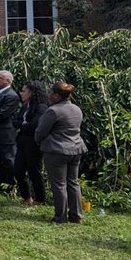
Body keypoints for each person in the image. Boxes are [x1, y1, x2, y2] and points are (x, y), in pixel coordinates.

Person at [33, 81, 87, 224]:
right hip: (76, 149)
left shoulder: (53, 111)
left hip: (57, 150)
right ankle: (76, 215)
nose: (48, 94)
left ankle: (60, 217)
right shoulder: (76, 109)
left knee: (59, 184)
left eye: (50, 92)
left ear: (57, 96)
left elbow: (40, 131)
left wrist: (39, 141)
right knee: (73, 183)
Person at [12, 81, 48, 206]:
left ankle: (40, 198)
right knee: (18, 170)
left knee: (34, 171)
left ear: (32, 92)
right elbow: (15, 121)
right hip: (22, 140)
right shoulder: (25, 106)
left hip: (33, 143)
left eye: (24, 91)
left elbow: (34, 125)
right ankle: (26, 196)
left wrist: (22, 124)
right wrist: (23, 124)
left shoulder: (41, 107)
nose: (21, 93)